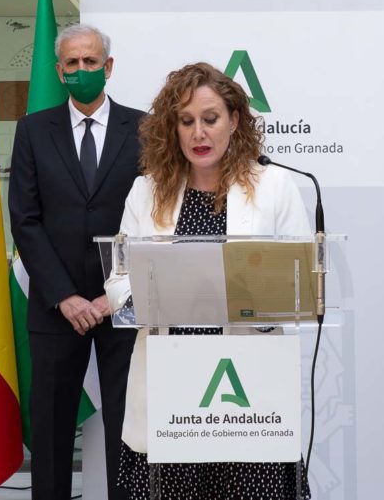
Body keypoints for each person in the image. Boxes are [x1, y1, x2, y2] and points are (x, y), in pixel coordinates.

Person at [104, 62, 312, 500]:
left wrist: (251, 292)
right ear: (172, 128)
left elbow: (298, 279)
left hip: (247, 388)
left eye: (210, 119)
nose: (199, 132)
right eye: (186, 121)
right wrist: (140, 299)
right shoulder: (146, 190)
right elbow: (119, 277)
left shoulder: (275, 187)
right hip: (172, 383)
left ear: (234, 121)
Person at [8, 23, 144, 500]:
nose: (81, 70)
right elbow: (25, 220)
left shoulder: (145, 128)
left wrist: (111, 296)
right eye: (72, 63)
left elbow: (153, 219)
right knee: (50, 432)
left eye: (91, 62)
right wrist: (65, 295)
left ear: (108, 67)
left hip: (125, 305)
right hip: (54, 306)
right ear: (58, 70)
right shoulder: (32, 130)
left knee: (132, 427)